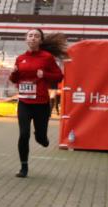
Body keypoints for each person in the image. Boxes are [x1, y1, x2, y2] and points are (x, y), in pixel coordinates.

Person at [8, 29, 66, 178]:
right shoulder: (20, 58)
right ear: (26, 39)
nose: (33, 38)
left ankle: (42, 138)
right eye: (30, 35)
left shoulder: (46, 57)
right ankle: (23, 167)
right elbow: (14, 80)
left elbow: (59, 76)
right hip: (25, 102)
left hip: (41, 103)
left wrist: (44, 74)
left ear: (40, 40)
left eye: (36, 36)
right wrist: (14, 72)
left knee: (40, 138)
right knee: (24, 134)